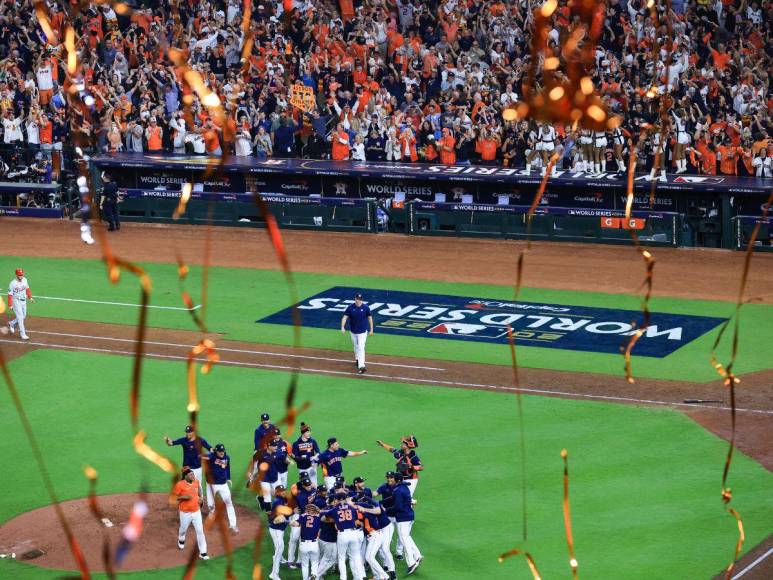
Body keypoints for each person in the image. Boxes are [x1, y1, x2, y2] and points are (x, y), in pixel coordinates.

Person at [321, 493, 366, 580]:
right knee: (355, 556)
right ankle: (359, 577)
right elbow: (356, 521)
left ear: (336, 500)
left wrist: (335, 520)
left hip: (343, 535)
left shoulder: (334, 510)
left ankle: (343, 578)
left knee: (341, 558)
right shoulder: (352, 508)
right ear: (346, 499)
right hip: (353, 533)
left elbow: (323, 518)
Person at [164, 426, 212, 500]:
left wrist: (212, 453)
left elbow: (209, 448)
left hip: (197, 467)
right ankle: (184, 500)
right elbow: (171, 443)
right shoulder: (183, 440)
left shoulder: (200, 440)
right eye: (186, 432)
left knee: (198, 485)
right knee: (184, 484)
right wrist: (168, 441)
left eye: (189, 432)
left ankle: (200, 501)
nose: (187, 434)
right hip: (186, 468)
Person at [352, 497, 393, 580]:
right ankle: (378, 576)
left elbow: (358, 521)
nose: (357, 508)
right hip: (375, 536)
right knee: (370, 557)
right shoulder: (369, 511)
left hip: (375, 536)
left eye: (358, 507)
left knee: (369, 557)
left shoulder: (365, 513)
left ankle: (384, 576)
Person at [173, 468, 210, 560]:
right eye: (191, 475)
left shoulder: (196, 482)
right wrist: (183, 497)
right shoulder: (180, 485)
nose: (193, 476)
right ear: (185, 476)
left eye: (193, 474)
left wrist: (201, 498)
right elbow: (174, 497)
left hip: (196, 511)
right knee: (183, 529)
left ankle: (203, 552)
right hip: (185, 513)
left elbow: (200, 490)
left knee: (200, 531)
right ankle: (181, 539)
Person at [391, 472, 422, 574]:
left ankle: (411, 563)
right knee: (407, 537)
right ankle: (417, 555)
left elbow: (397, 507)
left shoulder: (397, 490)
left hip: (402, 518)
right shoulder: (405, 487)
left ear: (395, 480)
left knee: (404, 539)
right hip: (410, 516)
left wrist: (385, 510)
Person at [203, 443, 238, 533]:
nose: (222, 453)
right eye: (220, 452)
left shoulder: (227, 457)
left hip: (223, 484)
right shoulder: (211, 457)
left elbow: (227, 468)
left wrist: (228, 478)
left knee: (229, 503)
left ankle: (233, 525)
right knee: (211, 505)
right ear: (216, 451)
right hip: (211, 485)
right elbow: (203, 456)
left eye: (223, 451)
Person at [340, 292, 374, 374]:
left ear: (362, 300)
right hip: (353, 332)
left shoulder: (366, 308)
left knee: (361, 347)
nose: (359, 301)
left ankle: (362, 366)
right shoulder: (350, 308)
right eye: (357, 299)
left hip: (362, 333)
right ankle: (357, 360)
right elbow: (344, 317)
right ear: (355, 299)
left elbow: (370, 318)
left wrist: (371, 329)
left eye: (360, 299)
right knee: (355, 347)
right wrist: (342, 327)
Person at [290, 503, 322, 580]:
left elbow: (295, 524)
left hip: (304, 545)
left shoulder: (303, 517)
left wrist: (290, 522)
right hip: (314, 544)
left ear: (307, 510)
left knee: (305, 565)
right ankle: (313, 575)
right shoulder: (318, 518)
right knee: (315, 563)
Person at [268, 484, 290, 580]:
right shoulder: (277, 502)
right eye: (281, 491)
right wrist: (288, 520)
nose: (284, 492)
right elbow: (276, 519)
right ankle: (273, 574)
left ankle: (280, 558)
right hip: (276, 529)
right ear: (277, 492)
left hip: (280, 529)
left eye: (284, 490)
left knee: (279, 547)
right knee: (279, 549)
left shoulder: (283, 500)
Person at [7, 268, 33, 340]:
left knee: (23, 316)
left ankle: (12, 323)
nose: (21, 276)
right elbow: (9, 295)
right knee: (20, 318)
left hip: (24, 301)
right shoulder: (12, 283)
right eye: (19, 275)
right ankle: (23, 334)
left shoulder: (25, 280)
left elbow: (27, 289)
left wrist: (30, 297)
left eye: (21, 275)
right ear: (16, 275)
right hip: (16, 301)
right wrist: (10, 305)